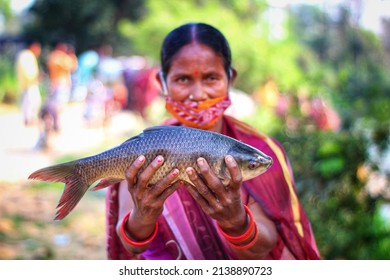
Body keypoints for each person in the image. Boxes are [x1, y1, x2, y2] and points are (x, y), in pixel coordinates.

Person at [106, 23, 320, 260]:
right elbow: (130, 246)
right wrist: (142, 217)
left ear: (230, 78)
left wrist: (237, 222)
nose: (198, 94)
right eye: (183, 79)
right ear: (163, 82)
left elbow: (266, 244)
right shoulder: (148, 148)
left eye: (211, 78)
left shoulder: (259, 152)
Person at [16, 41, 42, 126]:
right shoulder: (27, 56)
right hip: (29, 83)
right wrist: (34, 77)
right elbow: (27, 71)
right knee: (32, 101)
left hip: (29, 82)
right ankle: (29, 119)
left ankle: (30, 118)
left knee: (30, 101)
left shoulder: (27, 55)